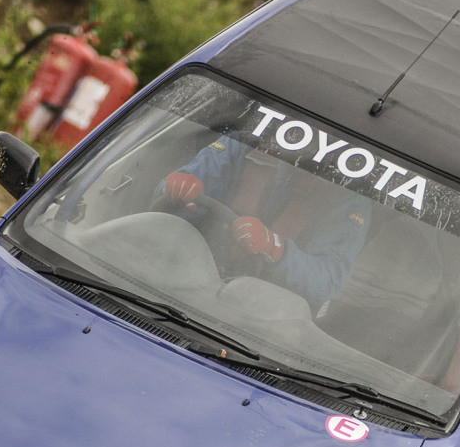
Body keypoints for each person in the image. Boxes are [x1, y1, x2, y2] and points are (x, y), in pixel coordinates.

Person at [155, 133, 371, 312]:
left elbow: (328, 281)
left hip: (262, 320)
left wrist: (276, 248)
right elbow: (171, 200)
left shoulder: (349, 195)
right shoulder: (244, 140)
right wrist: (175, 190)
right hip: (184, 279)